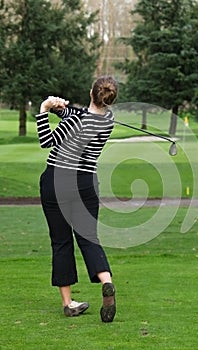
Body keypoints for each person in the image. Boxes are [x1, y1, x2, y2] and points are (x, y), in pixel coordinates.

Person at [35, 75, 118, 322]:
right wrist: (61, 109)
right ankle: (107, 281)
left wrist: (44, 109)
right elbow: (80, 117)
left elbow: (46, 141)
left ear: (91, 93)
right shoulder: (108, 120)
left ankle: (69, 303)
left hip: (57, 182)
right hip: (86, 184)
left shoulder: (75, 120)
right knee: (88, 238)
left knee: (61, 241)